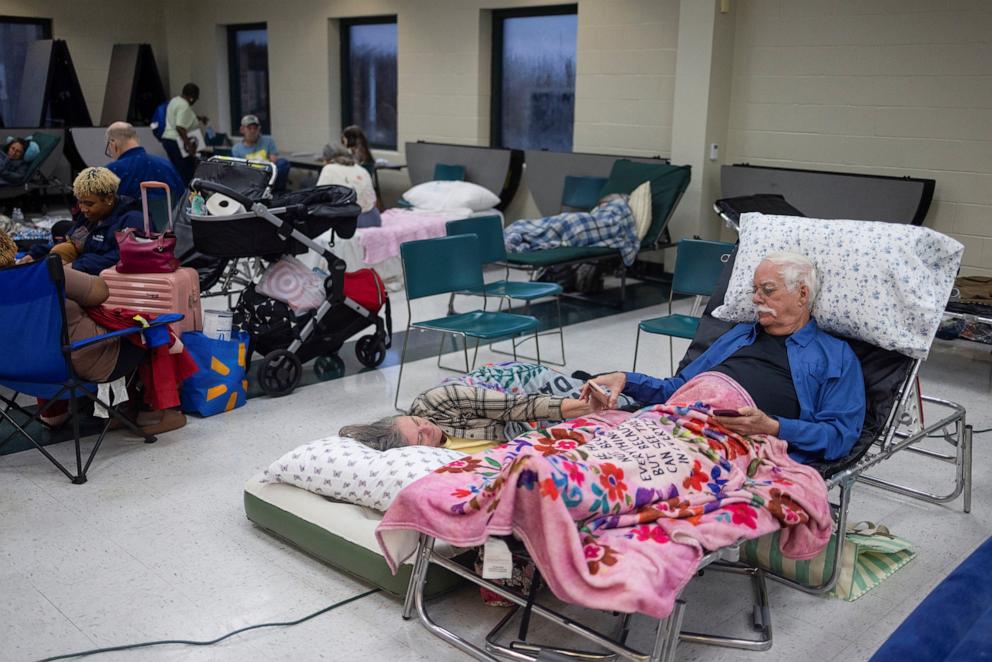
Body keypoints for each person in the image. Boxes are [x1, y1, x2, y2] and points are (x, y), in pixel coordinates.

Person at [583, 252, 865, 464]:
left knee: (616, 468)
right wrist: (626, 379)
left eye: (767, 290)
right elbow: (677, 389)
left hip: (727, 446)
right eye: (755, 290)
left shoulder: (835, 356)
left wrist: (773, 427)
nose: (756, 299)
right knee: (582, 445)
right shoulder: (739, 335)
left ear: (802, 293)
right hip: (677, 419)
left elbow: (839, 436)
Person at [0, 229, 186, 434]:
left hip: (15, 372)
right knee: (152, 330)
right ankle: (164, 412)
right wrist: (66, 271)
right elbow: (99, 293)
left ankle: (112, 410)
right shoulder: (40, 273)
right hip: (78, 364)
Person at [340, 367, 610, 453]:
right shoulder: (430, 459)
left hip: (512, 394)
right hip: (515, 434)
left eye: (416, 421)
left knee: (610, 405)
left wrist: (584, 406)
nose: (426, 427)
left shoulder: (435, 402)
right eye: (421, 437)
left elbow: (516, 407)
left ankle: (584, 379)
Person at [20, 167, 144, 275]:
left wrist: (76, 266)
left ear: (109, 198)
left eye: (89, 204)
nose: (83, 209)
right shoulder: (90, 217)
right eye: (80, 202)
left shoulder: (133, 220)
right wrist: (35, 254)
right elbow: (71, 242)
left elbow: (123, 257)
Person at [104, 121, 184, 200]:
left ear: (112, 144)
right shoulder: (167, 165)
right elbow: (182, 198)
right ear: (136, 139)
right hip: (170, 212)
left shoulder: (111, 172)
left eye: (109, 150)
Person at [317, 142, 378, 225]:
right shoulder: (361, 169)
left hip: (350, 222)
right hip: (373, 218)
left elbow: (318, 197)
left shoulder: (329, 169)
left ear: (326, 158)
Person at [232, 114, 289, 192]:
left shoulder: (269, 140)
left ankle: (278, 193)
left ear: (259, 129)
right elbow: (240, 169)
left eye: (255, 128)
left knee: (283, 163)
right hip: (250, 177)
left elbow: (274, 161)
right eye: (249, 128)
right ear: (242, 130)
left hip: (267, 172)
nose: (253, 131)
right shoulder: (236, 149)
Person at [161, 82, 201, 184]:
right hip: (177, 141)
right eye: (196, 98)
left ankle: (179, 194)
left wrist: (199, 118)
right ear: (192, 97)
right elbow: (180, 127)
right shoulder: (184, 106)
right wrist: (189, 146)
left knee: (177, 170)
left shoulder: (175, 101)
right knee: (187, 172)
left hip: (168, 139)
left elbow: (177, 118)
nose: (195, 101)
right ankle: (188, 196)